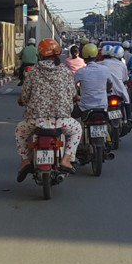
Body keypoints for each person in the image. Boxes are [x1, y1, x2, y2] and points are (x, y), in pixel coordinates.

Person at [15, 39, 79, 179]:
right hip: (61, 120)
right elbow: (73, 93)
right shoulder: (65, 71)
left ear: (40, 54)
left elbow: (25, 95)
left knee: (20, 132)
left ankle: (25, 161)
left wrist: (23, 101)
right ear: (58, 53)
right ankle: (66, 160)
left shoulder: (33, 71)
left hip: (35, 120)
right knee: (77, 130)